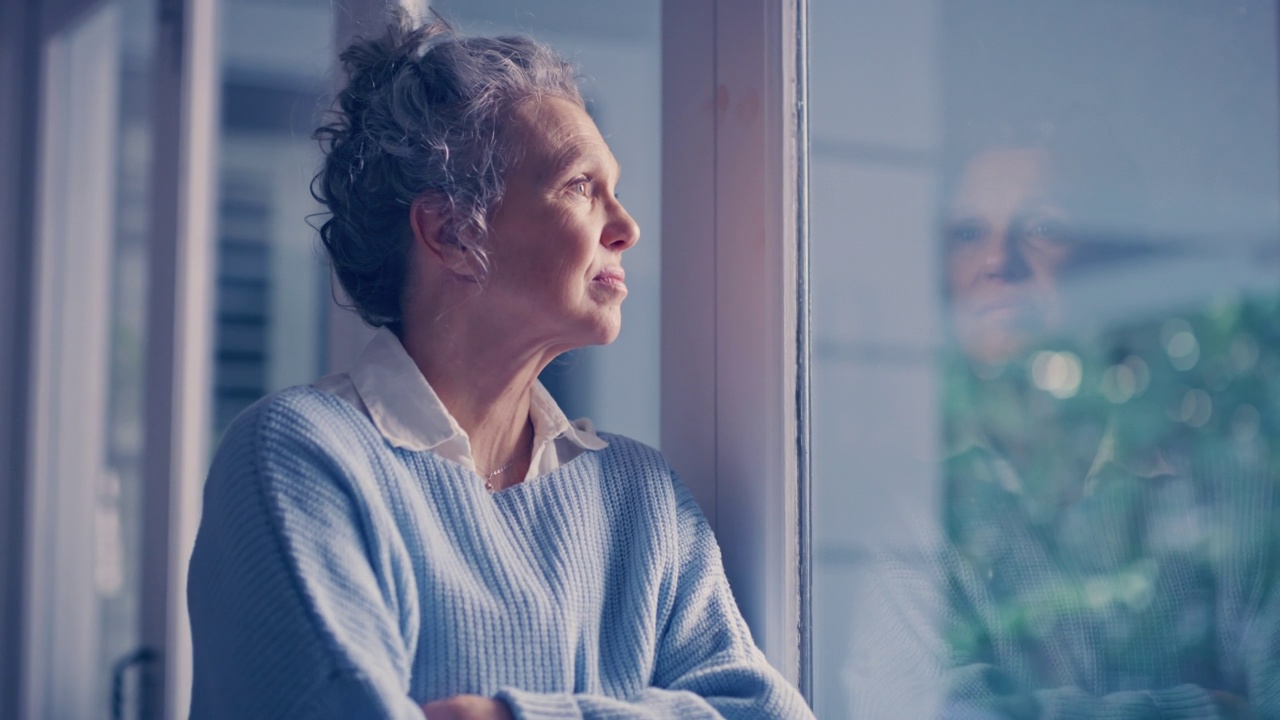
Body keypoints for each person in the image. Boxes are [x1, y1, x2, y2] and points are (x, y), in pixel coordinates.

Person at [186, 17, 813, 720]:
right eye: (580, 186)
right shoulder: (299, 455)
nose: (626, 226)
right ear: (451, 233)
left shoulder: (644, 499)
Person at [845, 140, 1280, 719]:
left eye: (1044, 227)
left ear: (1115, 266)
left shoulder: (1231, 497)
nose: (998, 260)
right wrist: (1207, 710)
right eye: (969, 233)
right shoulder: (922, 518)